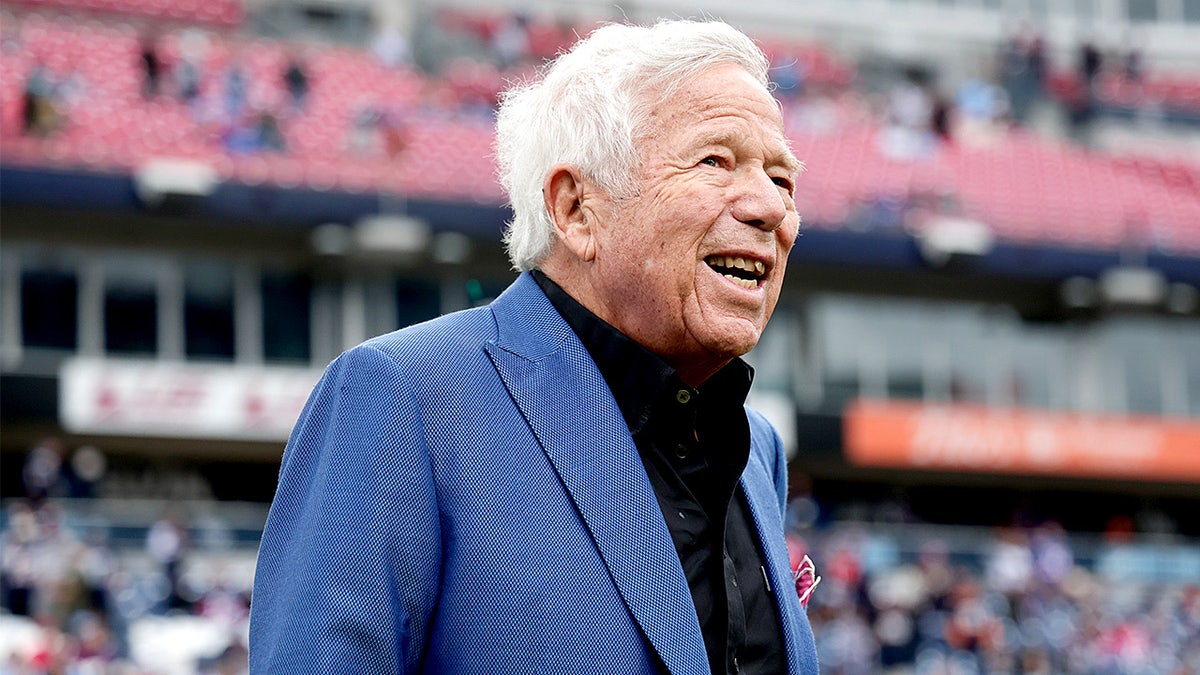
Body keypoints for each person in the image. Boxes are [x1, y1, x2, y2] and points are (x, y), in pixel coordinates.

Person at [249, 19, 819, 675]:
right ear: (577, 208)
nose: (769, 207)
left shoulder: (758, 450)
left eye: (782, 179)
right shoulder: (406, 398)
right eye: (715, 161)